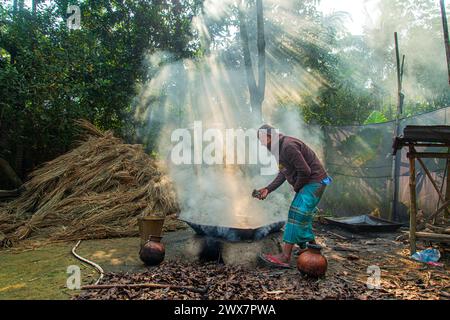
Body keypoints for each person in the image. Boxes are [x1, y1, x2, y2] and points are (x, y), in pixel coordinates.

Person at [256, 124, 332, 268]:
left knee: (295, 215)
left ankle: (284, 257)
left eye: (261, 139)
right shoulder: (278, 150)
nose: (261, 143)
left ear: (269, 136)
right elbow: (284, 172)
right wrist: (268, 189)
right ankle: (310, 249)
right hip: (310, 183)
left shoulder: (288, 146)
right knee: (304, 217)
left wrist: (297, 188)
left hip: (315, 182)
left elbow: (305, 171)